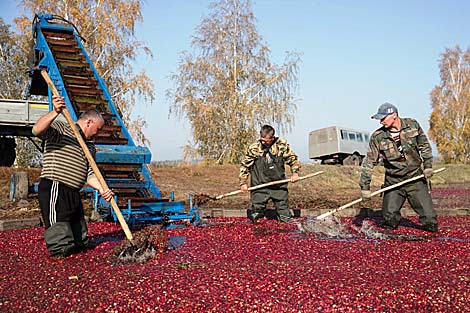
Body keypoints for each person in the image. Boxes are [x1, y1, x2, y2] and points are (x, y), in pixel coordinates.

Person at [32, 95, 114, 257]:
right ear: (89, 122)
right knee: (61, 240)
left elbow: (90, 173)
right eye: (97, 129)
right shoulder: (62, 129)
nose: (97, 134)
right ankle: (60, 272)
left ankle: (77, 268)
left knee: (80, 242)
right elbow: (37, 130)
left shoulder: (89, 146)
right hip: (56, 186)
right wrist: (55, 112)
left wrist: (102, 189)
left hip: (74, 193)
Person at [359, 102, 438, 233]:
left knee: (429, 219)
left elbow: (424, 147)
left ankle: (432, 239)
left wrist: (428, 166)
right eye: (380, 119)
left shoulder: (412, 125)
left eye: (383, 118)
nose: (381, 122)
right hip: (394, 181)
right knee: (389, 218)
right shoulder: (377, 137)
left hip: (415, 178)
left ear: (394, 115)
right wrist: (365, 187)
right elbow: (369, 162)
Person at [239, 124, 300, 223]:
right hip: (259, 185)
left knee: (284, 211)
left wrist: (295, 173)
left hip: (278, 185)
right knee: (257, 212)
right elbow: (245, 165)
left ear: (272, 138)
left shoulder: (281, 146)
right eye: (261, 139)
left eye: (266, 141)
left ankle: (284, 228)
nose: (263, 142)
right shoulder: (254, 148)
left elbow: (293, 159)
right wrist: (243, 182)